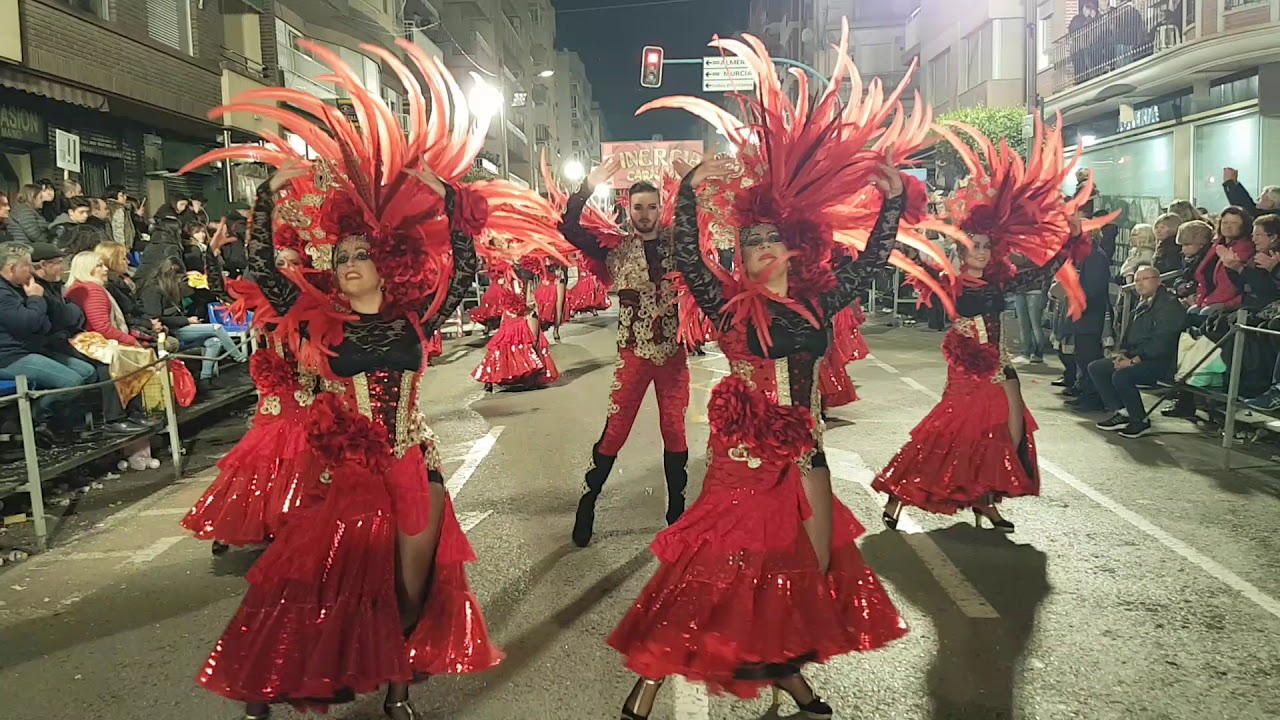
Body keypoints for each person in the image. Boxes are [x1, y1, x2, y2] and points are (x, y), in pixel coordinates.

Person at [178, 36, 563, 718]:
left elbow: (468, 271)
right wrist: (265, 203)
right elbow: (265, 272)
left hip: (415, 462)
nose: (352, 262)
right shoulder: (319, 317)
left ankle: (397, 688)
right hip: (348, 473)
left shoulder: (417, 317)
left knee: (412, 592)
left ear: (386, 262)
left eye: (364, 254)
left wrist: (451, 205)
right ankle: (282, 683)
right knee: (312, 585)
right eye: (344, 255)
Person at [607, 26, 945, 716]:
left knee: (808, 571)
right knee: (715, 570)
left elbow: (878, 257)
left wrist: (888, 200)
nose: (759, 250)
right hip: (739, 458)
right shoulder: (724, 300)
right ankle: (650, 679)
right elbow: (688, 258)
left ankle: (787, 674)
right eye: (751, 240)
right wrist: (695, 194)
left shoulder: (823, 298)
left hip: (806, 453)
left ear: (797, 247)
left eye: (771, 240)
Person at [874, 117, 1109, 533]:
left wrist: (1068, 243)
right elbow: (969, 302)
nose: (979, 252)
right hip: (969, 368)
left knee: (1000, 433)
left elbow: (1035, 278)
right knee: (952, 431)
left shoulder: (1000, 278)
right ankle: (900, 492)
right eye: (973, 246)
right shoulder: (955, 283)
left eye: (985, 246)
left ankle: (987, 501)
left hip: (999, 366)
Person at [181, 169, 333, 556]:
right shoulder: (267, 296)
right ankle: (247, 520)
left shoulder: (318, 301)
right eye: (279, 262)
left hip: (313, 394)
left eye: (291, 260)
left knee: (305, 454)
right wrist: (212, 254)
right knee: (265, 455)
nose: (285, 267)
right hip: (279, 394)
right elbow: (223, 290)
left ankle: (298, 521)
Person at [559, 159, 689, 548]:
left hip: (672, 354)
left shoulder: (677, 243)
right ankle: (588, 503)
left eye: (652, 206)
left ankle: (677, 513)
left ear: (660, 206)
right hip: (633, 354)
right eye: (638, 207)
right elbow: (568, 227)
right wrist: (586, 187)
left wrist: (693, 184)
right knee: (615, 432)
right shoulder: (614, 247)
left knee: (675, 431)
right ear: (627, 208)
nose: (645, 214)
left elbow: (710, 226)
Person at [1090, 265, 1185, 437]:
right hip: (1138, 356)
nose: (1140, 284)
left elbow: (1163, 342)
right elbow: (1130, 334)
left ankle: (1139, 420)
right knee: (1097, 368)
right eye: (1137, 280)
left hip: (1162, 362)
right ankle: (1123, 412)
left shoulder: (1169, 306)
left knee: (1122, 376)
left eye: (1145, 279)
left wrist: (1134, 361)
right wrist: (1123, 353)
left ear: (1158, 281)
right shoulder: (1142, 304)